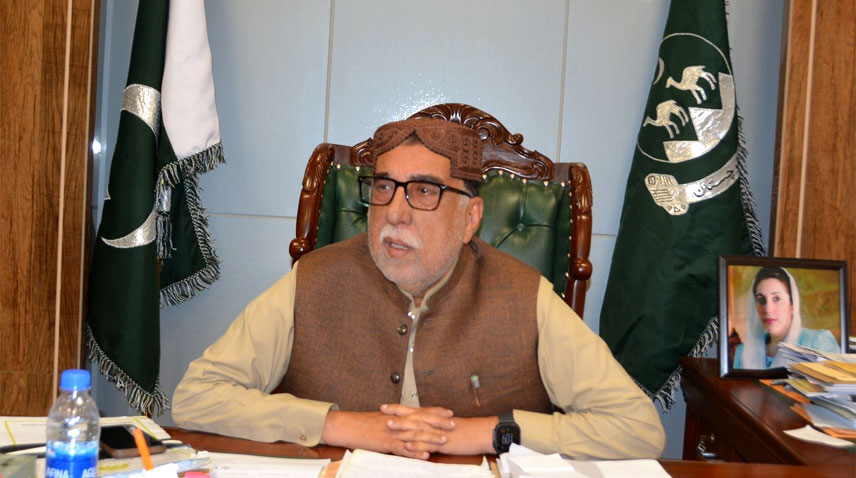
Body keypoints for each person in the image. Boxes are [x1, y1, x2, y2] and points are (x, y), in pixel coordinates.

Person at [172, 118, 665, 460]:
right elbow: (196, 397)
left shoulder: (524, 294)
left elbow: (638, 429)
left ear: (470, 218)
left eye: (425, 191)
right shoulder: (315, 279)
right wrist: (340, 424)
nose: (395, 213)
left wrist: (489, 433)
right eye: (383, 187)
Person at [733, 266, 839, 369]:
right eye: (761, 300)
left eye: (776, 298)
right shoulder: (743, 353)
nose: (768, 309)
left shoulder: (819, 344)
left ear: (792, 304)